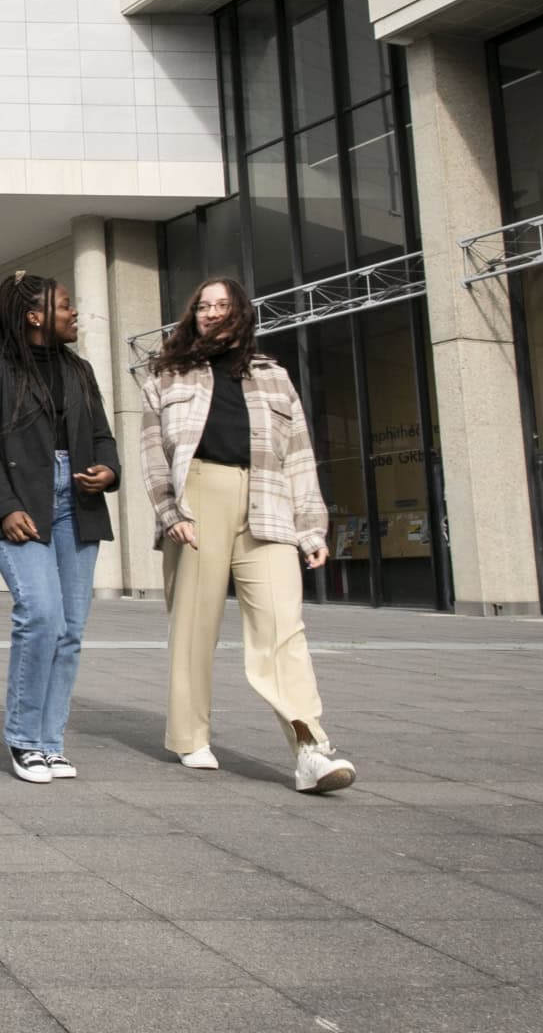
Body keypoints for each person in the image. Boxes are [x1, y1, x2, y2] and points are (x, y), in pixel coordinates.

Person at [139, 277, 357, 794]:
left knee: (284, 628)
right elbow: (153, 455)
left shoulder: (274, 378)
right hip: (198, 497)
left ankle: (310, 749)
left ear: (242, 314)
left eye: (222, 305)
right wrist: (171, 513)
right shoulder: (166, 376)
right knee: (194, 628)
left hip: (268, 502)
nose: (211, 313)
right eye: (203, 306)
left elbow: (299, 456)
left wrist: (311, 527)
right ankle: (190, 735)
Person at [0, 271, 119, 784]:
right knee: (41, 615)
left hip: (78, 500)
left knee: (71, 631)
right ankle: (23, 740)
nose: (74, 313)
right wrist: (6, 506)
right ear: (35, 316)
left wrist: (109, 470)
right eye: (65, 306)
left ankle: (51, 743)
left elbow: (101, 434)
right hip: (22, 504)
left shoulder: (80, 371)